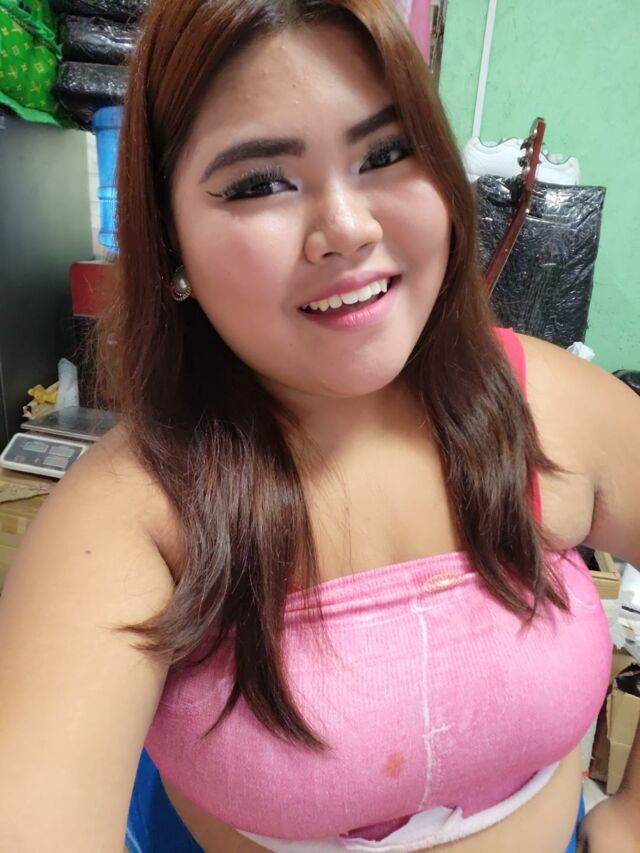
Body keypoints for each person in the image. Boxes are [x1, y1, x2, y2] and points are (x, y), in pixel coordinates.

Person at [0, 1, 638, 851]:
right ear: (171, 239)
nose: (347, 229)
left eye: (386, 153)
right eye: (259, 183)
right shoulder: (136, 511)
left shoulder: (546, 406)